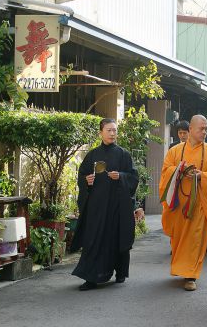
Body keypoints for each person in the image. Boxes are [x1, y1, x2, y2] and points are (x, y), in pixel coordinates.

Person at [70, 118, 139, 291]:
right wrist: (87, 180)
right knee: (93, 239)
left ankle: (121, 272)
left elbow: (133, 177)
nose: (112, 133)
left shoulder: (123, 154)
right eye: (108, 130)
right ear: (101, 132)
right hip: (97, 207)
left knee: (116, 238)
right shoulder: (92, 155)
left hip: (117, 207)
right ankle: (91, 278)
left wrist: (121, 176)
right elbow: (82, 176)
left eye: (114, 130)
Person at [159, 115, 207, 291]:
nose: (204, 132)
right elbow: (165, 171)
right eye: (201, 129)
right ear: (190, 131)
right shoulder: (175, 151)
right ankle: (180, 268)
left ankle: (191, 275)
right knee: (179, 239)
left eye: (206, 129)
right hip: (178, 203)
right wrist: (178, 171)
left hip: (199, 204)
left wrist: (201, 175)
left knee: (196, 239)